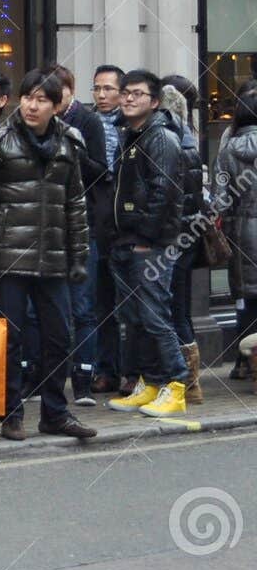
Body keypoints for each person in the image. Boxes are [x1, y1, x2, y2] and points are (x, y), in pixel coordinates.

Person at [0, 69, 96, 442]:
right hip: (6, 256)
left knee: (59, 337)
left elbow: (75, 205)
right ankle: (11, 412)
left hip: (53, 258)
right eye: (28, 97)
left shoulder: (69, 143)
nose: (33, 106)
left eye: (42, 100)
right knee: (11, 338)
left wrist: (79, 256)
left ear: (57, 106)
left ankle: (55, 412)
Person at [105, 70, 191, 417]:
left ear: (154, 102)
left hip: (151, 244)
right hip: (125, 241)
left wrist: (145, 238)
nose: (128, 98)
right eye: (125, 92)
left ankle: (177, 385)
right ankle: (151, 383)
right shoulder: (131, 135)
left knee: (155, 316)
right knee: (134, 318)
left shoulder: (161, 138)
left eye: (137, 94)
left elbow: (165, 192)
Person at [51, 63, 108, 404]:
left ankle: (84, 378)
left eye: (57, 95)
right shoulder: (38, 123)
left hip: (82, 224)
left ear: (70, 91)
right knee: (42, 309)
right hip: (48, 226)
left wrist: (74, 152)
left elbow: (101, 170)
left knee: (83, 306)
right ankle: (44, 378)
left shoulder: (87, 122)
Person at [160, 76, 205, 404]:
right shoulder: (189, 139)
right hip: (185, 237)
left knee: (172, 310)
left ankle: (185, 382)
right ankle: (189, 383)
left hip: (173, 239)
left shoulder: (174, 144)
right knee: (180, 310)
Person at [213, 82, 257, 388]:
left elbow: (221, 199)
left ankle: (246, 363)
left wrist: (226, 229)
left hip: (243, 233)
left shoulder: (228, 149)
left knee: (245, 299)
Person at [88, 64, 127, 393]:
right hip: (98, 221)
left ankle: (131, 370)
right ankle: (106, 369)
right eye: (97, 88)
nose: (101, 95)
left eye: (108, 89)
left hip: (127, 224)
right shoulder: (89, 124)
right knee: (101, 302)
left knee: (128, 303)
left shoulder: (131, 125)